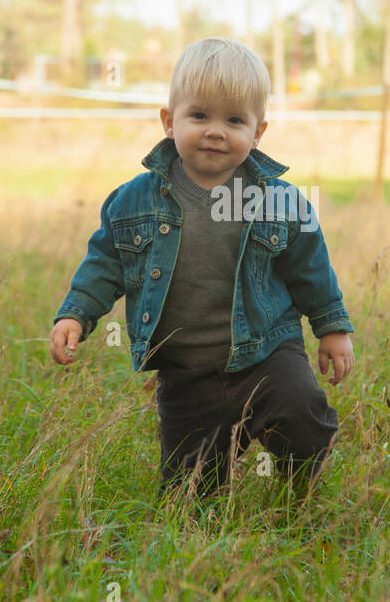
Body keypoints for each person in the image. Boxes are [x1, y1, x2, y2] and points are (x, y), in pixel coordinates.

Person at [49, 36, 356, 501]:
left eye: (234, 120)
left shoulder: (279, 201)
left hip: (266, 352)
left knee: (304, 419)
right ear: (169, 122)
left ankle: (295, 491)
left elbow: (311, 267)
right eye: (200, 116)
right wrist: (76, 314)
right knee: (190, 496)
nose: (216, 131)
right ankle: (209, 474)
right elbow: (105, 262)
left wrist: (331, 327)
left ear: (258, 133)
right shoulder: (134, 200)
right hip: (186, 370)